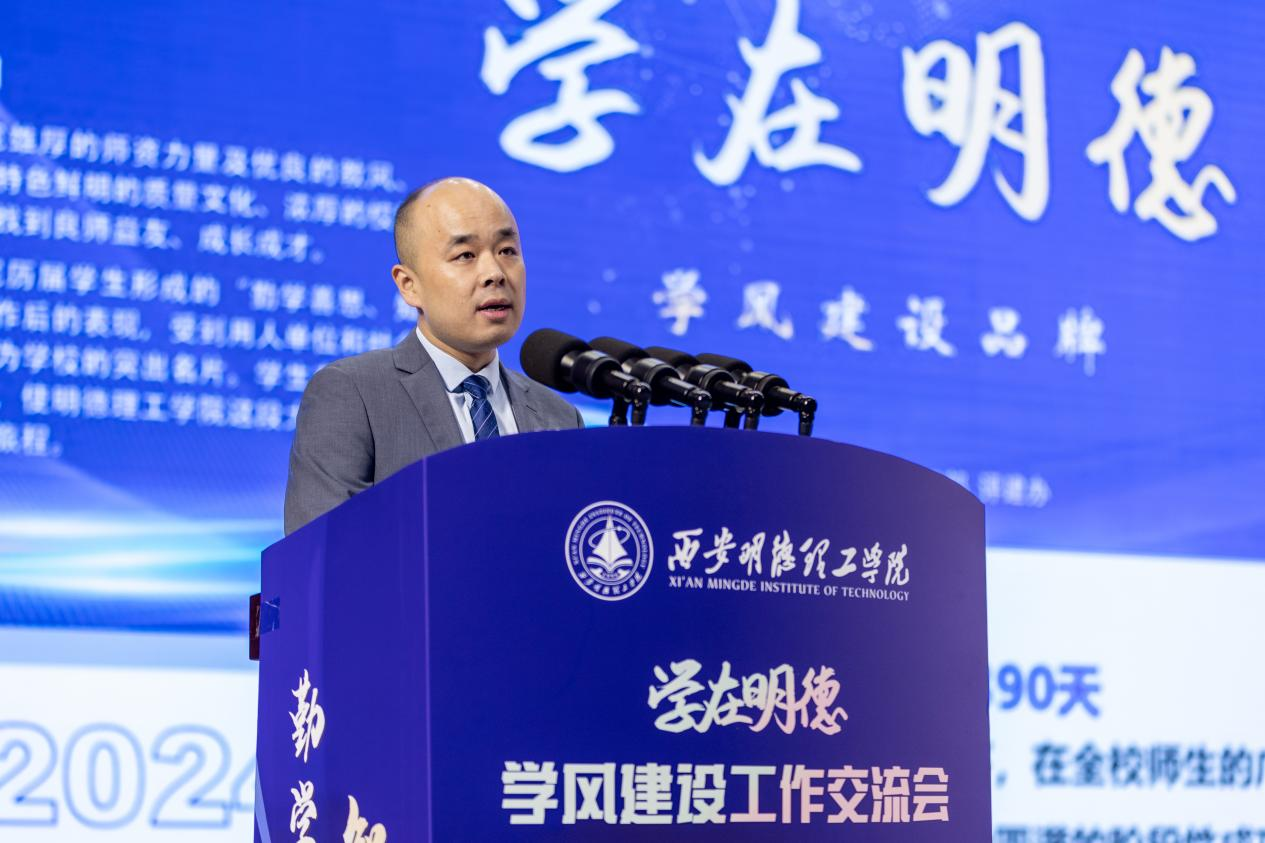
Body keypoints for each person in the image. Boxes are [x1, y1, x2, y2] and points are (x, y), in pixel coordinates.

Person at [283, 177, 584, 534]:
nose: (495, 273)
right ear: (409, 285)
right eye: (465, 255)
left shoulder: (559, 417)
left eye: (507, 251)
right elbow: (323, 551)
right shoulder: (353, 394)